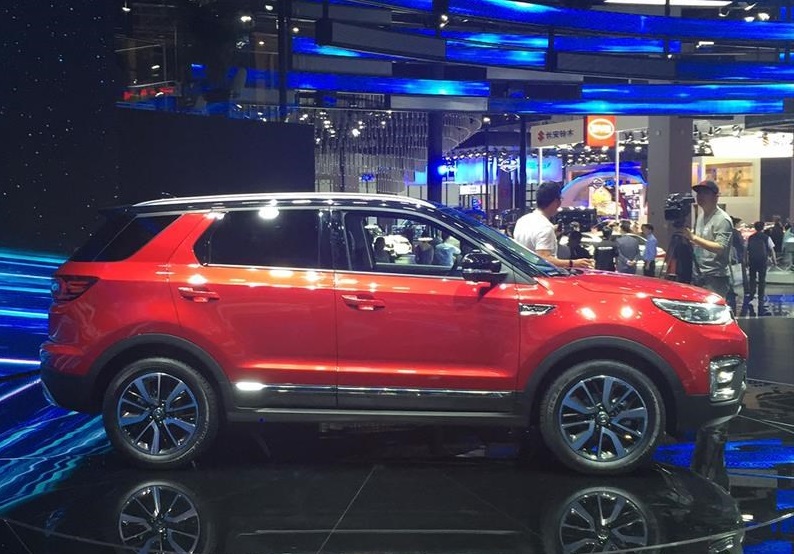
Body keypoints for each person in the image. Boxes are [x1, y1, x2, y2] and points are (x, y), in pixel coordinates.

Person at [513, 182, 593, 270]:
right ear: (556, 202)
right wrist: (573, 263)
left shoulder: (523, 220)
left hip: (523, 272)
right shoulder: (545, 227)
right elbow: (544, 259)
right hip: (541, 274)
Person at [681, 180, 734, 298]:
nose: (700, 196)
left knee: (713, 308)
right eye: (699, 193)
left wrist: (694, 238)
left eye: (705, 193)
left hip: (715, 277)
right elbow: (700, 241)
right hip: (699, 274)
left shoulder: (722, 219)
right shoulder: (701, 216)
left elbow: (720, 248)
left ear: (716, 197)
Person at [746, 221, 775, 306]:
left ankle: (752, 294)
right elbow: (772, 249)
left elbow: (746, 250)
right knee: (762, 279)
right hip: (762, 261)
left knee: (752, 278)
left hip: (752, 260)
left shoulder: (750, 237)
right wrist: (774, 260)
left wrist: (745, 260)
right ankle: (761, 296)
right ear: (763, 228)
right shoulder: (766, 237)